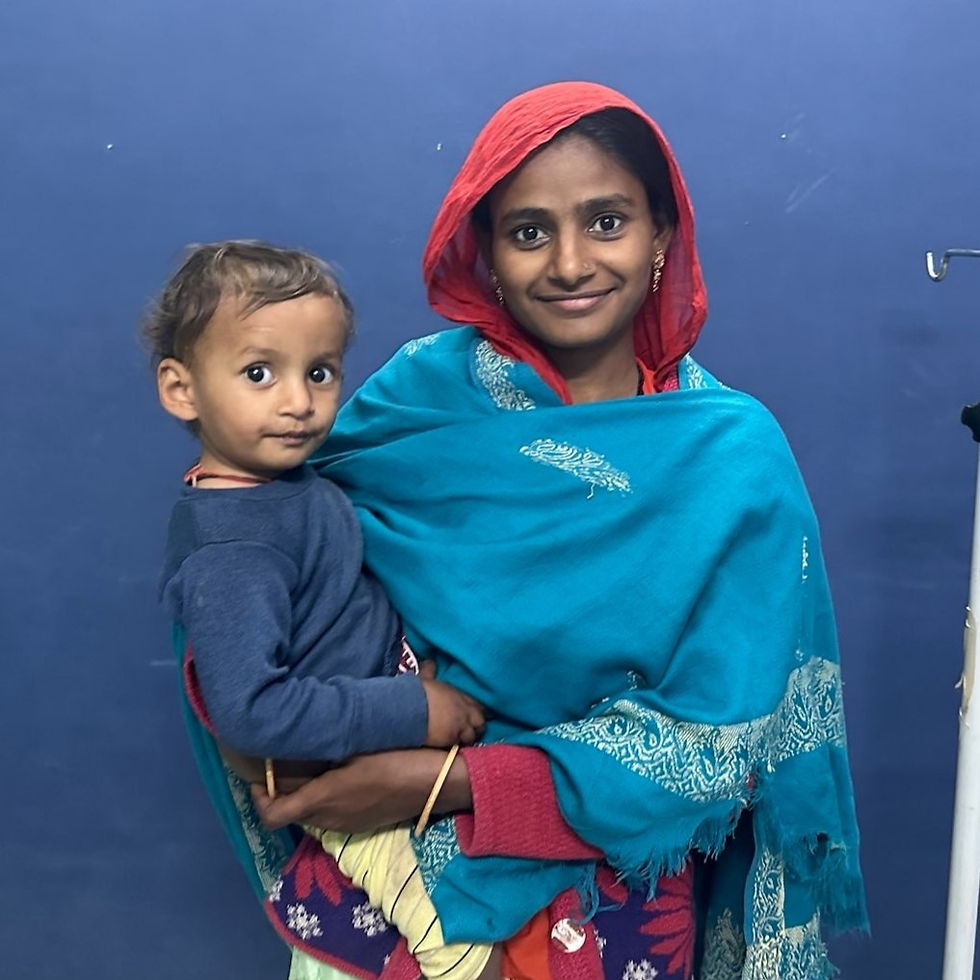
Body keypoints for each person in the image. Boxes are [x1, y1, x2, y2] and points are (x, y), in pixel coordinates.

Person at [184, 82, 866, 980]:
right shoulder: (414, 403)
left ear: (663, 235)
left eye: (608, 221)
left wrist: (446, 779)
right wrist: (285, 723)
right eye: (530, 231)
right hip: (385, 894)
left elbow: (720, 744)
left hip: (609, 908)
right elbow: (263, 579)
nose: (570, 263)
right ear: (487, 254)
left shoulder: (731, 457)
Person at [147, 240, 498, 980]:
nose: (298, 401)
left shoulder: (283, 490)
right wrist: (413, 708)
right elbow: (253, 713)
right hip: (350, 788)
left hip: (390, 747)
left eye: (320, 372)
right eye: (258, 373)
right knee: (468, 955)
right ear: (182, 390)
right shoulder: (232, 546)